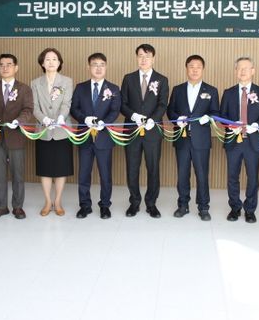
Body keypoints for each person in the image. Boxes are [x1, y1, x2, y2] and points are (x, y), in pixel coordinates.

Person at [167, 55, 219, 220]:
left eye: (198, 67)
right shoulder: (178, 89)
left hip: (201, 140)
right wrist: (177, 119)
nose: (195, 70)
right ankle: (183, 205)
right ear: (186, 69)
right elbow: (170, 111)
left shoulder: (211, 90)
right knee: (182, 174)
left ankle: (203, 207)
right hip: (182, 138)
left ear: (203, 69)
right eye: (191, 66)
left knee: (202, 175)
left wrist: (208, 118)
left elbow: (215, 112)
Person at [0, 53, 34, 220]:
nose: (5, 68)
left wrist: (18, 121)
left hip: (16, 137)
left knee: (18, 175)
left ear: (16, 68)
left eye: (9, 64)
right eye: (2, 65)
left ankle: (18, 207)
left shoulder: (24, 89)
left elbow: (28, 110)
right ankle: (1, 207)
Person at [70, 53, 121, 219]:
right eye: (95, 64)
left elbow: (115, 110)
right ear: (88, 67)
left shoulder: (113, 89)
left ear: (106, 67)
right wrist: (84, 118)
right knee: (84, 174)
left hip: (104, 137)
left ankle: (105, 205)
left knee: (105, 175)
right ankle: (85, 205)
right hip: (85, 136)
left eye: (101, 65)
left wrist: (104, 122)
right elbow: (74, 108)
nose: (98, 68)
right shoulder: (80, 87)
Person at [120, 44, 169, 218]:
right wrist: (133, 116)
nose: (143, 59)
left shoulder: (162, 79)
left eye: (147, 56)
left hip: (152, 131)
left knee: (153, 168)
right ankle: (134, 202)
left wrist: (152, 120)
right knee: (132, 168)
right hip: (132, 130)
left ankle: (151, 203)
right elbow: (122, 104)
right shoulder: (128, 78)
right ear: (136, 58)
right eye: (140, 55)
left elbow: (163, 104)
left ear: (153, 59)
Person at [219, 57, 259, 223]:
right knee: (232, 177)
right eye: (239, 68)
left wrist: (256, 125)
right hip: (233, 140)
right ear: (235, 71)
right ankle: (235, 208)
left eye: (246, 68)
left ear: (253, 71)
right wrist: (230, 125)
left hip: (252, 141)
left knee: (252, 177)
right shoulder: (228, 92)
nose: (243, 71)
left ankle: (250, 209)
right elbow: (222, 116)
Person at [31, 48, 74, 216]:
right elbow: (34, 107)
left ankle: (58, 201)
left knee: (61, 168)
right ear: (42, 63)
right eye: (47, 59)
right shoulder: (35, 83)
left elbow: (66, 103)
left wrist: (61, 117)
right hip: (44, 131)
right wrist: (44, 119)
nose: (51, 62)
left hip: (62, 131)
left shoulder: (67, 81)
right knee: (45, 168)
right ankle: (48, 201)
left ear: (59, 62)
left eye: (54, 59)